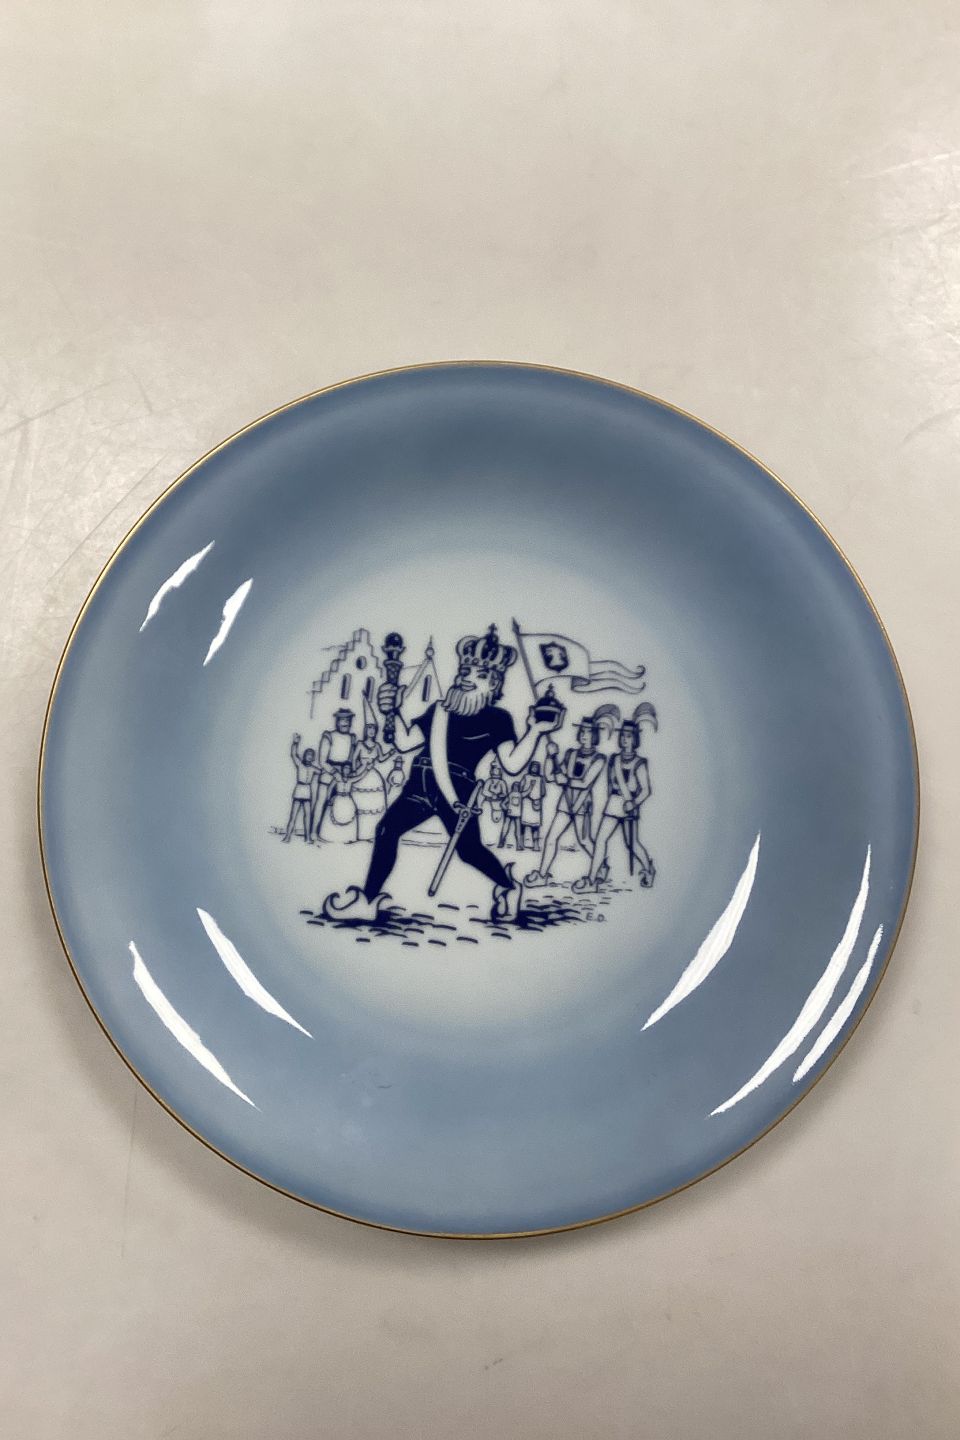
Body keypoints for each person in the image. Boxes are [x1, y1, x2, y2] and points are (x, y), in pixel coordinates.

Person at [321, 624, 564, 923]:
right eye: (465, 670)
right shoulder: (440, 710)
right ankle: (368, 900)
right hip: (419, 785)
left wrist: (536, 731)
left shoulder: (497, 719)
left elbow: (512, 764)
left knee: (469, 851)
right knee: (386, 830)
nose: (466, 677)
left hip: (459, 790)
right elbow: (405, 742)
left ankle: (508, 887)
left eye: (479, 674)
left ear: (493, 685)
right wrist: (392, 711)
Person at [526, 705, 618, 886]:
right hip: (565, 802)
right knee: (551, 838)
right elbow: (550, 776)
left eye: (588, 732)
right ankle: (542, 875)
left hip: (581, 804)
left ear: (594, 735)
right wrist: (549, 756)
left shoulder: (599, 759)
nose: (584, 735)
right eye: (582, 732)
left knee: (584, 841)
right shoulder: (570, 754)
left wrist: (565, 780)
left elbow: (585, 783)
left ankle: (602, 866)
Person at [574, 704, 657, 889]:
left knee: (632, 844)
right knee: (600, 840)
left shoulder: (639, 763)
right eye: (623, 736)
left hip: (629, 805)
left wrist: (634, 803)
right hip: (614, 803)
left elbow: (646, 790)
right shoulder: (614, 759)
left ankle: (648, 869)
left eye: (629, 736)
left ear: (635, 739)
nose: (625, 740)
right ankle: (592, 879)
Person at [313, 707, 358, 838]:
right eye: (343, 720)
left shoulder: (352, 738)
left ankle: (335, 834)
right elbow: (322, 761)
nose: (346, 723)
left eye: (348, 720)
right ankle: (314, 832)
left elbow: (351, 759)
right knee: (321, 802)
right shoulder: (329, 736)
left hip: (345, 774)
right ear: (337, 721)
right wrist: (335, 773)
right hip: (329, 773)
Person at [351, 721, 393, 841]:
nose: (371, 731)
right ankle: (360, 834)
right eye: (369, 729)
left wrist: (390, 754)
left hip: (373, 775)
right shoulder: (360, 744)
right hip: (361, 773)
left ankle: (372, 834)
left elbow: (381, 758)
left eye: (373, 729)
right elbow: (354, 759)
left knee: (374, 804)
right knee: (361, 804)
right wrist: (354, 771)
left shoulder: (377, 746)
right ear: (366, 731)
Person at [283, 734, 321, 842]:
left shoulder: (314, 768)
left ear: (313, 757)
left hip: (307, 792)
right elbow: (293, 754)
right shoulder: (300, 764)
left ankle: (307, 838)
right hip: (299, 790)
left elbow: (322, 772)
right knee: (293, 815)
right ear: (304, 755)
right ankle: (287, 837)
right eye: (308, 754)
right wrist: (295, 743)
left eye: (311, 755)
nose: (310, 756)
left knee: (307, 816)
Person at [520, 760, 545, 851]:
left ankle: (535, 844)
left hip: (536, 804)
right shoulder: (526, 777)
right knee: (523, 825)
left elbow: (543, 792)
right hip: (526, 803)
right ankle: (521, 843)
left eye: (536, 767)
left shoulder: (541, 778)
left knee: (535, 826)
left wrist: (537, 799)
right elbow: (520, 790)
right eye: (533, 766)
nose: (535, 768)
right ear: (530, 767)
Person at [483, 761, 508, 829]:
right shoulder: (489, 781)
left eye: (497, 770)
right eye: (494, 769)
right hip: (489, 800)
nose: (496, 771)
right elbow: (484, 791)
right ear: (491, 771)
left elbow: (505, 793)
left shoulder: (502, 782)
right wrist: (492, 795)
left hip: (498, 800)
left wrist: (498, 795)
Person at [498, 782, 523, 849]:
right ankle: (501, 842)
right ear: (512, 787)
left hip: (517, 814)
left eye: (517, 786)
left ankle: (518, 845)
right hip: (510, 814)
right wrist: (506, 809)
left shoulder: (520, 795)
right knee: (506, 828)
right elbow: (502, 804)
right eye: (515, 786)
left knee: (518, 830)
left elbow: (502, 804)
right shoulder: (510, 794)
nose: (516, 788)